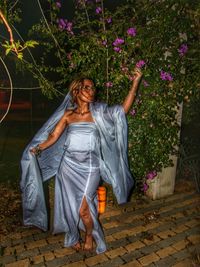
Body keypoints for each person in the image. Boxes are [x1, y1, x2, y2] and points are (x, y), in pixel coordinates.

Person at [20, 68, 142, 254]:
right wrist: (37, 148)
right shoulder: (68, 115)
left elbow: (122, 110)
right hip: (67, 167)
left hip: (90, 167)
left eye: (93, 88)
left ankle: (89, 235)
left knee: (83, 209)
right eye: (86, 87)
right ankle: (73, 235)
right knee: (70, 205)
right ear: (76, 91)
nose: (91, 90)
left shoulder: (99, 113)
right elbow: (53, 135)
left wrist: (135, 83)